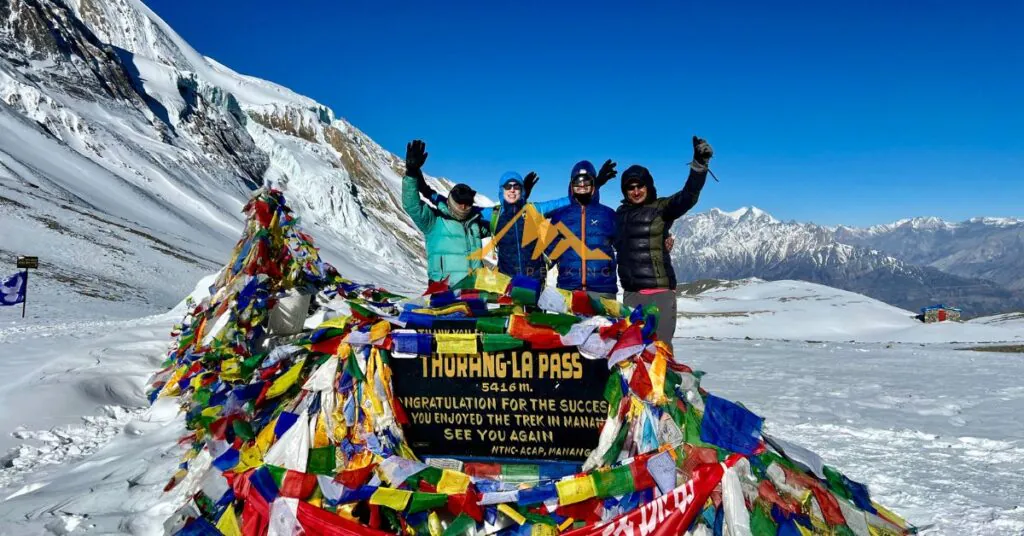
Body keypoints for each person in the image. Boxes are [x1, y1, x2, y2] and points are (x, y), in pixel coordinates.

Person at [614, 136, 714, 345]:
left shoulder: (662, 208)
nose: (636, 191)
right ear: (625, 191)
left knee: (661, 353)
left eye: (640, 186)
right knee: (634, 355)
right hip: (632, 296)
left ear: (648, 186)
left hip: (660, 294)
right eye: (630, 187)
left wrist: (699, 165)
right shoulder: (620, 215)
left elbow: (688, 196)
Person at [421, 171, 573, 283]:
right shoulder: (494, 214)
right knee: (508, 323)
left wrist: (591, 186)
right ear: (502, 191)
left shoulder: (534, 210)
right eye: (508, 186)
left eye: (517, 186)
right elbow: (458, 205)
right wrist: (427, 192)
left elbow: (562, 203)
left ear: (522, 190)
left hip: (534, 279)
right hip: (506, 282)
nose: (512, 189)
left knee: (533, 323)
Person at [401, 139, 487, 285]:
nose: (463, 207)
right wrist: (411, 173)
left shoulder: (475, 224)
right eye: (460, 203)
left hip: (474, 290)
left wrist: (520, 199)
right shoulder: (435, 221)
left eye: (467, 204)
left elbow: (505, 226)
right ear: (452, 201)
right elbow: (412, 205)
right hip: (444, 289)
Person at [545, 160, 619, 299]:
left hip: (603, 291)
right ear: (571, 185)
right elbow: (549, 252)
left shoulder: (608, 214)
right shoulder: (560, 216)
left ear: (593, 184)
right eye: (578, 181)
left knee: (603, 322)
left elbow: (626, 245)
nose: (582, 185)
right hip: (569, 291)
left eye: (587, 180)